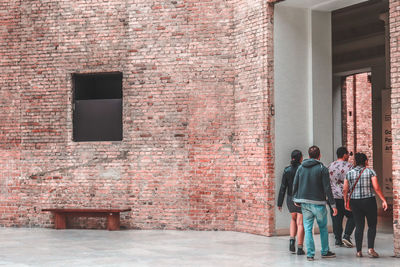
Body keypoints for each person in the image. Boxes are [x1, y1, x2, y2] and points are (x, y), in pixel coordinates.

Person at [293, 145, 338, 261]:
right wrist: (333, 205)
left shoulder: (301, 168)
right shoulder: (322, 169)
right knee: (323, 227)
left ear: (308, 155)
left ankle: (310, 254)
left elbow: (295, 184)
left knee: (307, 228)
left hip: (304, 203)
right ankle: (324, 251)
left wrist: (296, 199)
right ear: (319, 156)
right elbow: (327, 188)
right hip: (318, 203)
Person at [343, 152, 388, 258]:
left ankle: (358, 251)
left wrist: (346, 202)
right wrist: (383, 199)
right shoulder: (370, 171)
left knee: (359, 226)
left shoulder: (349, 173)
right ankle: (370, 249)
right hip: (369, 201)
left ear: (355, 161)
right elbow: (376, 187)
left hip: (355, 202)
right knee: (372, 225)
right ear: (366, 161)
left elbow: (345, 190)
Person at [277, 150, 305, 255]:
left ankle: (292, 240)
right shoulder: (303, 169)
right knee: (300, 223)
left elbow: (283, 187)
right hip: (300, 199)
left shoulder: (287, 170)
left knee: (293, 219)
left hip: (289, 198)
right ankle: (300, 248)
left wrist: (279, 203)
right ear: (300, 158)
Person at [328, 147, 355, 247]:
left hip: (333, 197)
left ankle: (338, 240)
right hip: (346, 197)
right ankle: (347, 235)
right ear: (344, 155)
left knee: (336, 219)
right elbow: (352, 182)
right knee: (354, 216)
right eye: (348, 154)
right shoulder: (350, 166)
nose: (348, 156)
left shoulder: (330, 166)